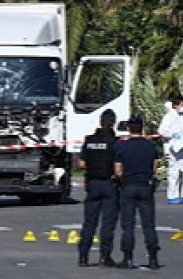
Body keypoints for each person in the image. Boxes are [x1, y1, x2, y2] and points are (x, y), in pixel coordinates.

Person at [114, 115, 160, 270]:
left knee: (128, 225)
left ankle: (127, 257)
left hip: (128, 186)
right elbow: (154, 168)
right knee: (148, 224)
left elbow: (118, 170)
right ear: (142, 128)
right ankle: (153, 257)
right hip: (145, 186)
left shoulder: (121, 147)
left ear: (128, 128)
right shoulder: (150, 147)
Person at [77, 108, 118, 268]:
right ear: (113, 124)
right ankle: (104, 256)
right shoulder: (114, 142)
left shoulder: (90, 140)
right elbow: (118, 165)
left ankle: (83, 256)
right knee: (107, 223)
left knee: (89, 222)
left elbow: (81, 164)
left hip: (92, 184)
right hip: (109, 183)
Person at [157, 96, 183, 204]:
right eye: (182, 104)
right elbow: (161, 131)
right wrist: (172, 135)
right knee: (174, 172)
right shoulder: (169, 116)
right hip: (173, 149)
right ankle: (172, 196)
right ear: (176, 105)